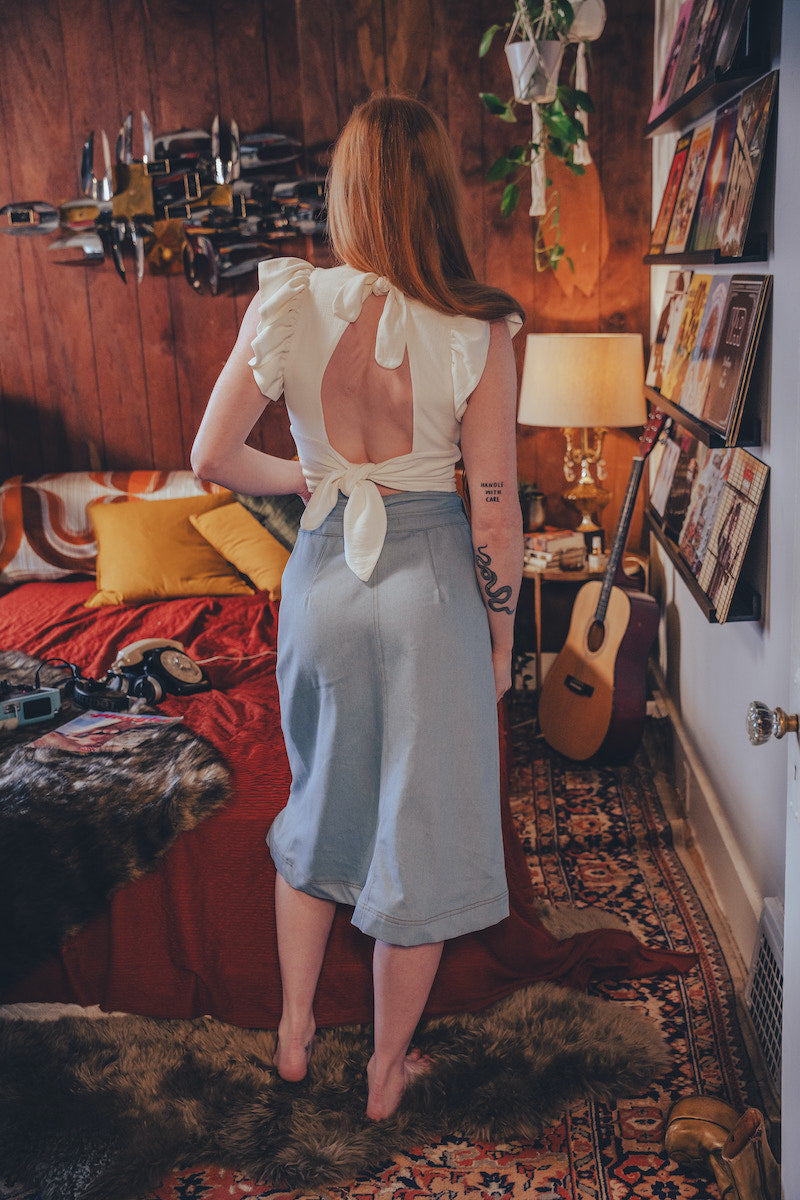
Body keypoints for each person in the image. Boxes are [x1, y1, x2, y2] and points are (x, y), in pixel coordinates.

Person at [191, 93, 524, 1121]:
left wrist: (306, 482)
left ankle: (294, 1037)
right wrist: (499, 640)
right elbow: (496, 514)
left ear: (346, 191)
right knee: (416, 831)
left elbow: (209, 459)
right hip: (427, 587)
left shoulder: (287, 300)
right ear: (434, 194)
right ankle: (384, 1073)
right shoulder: (478, 323)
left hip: (323, 575)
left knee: (320, 801)